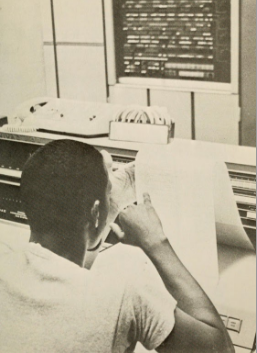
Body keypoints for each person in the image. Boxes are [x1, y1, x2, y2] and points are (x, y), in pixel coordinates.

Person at [0, 139, 234, 353]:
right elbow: (220, 349)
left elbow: (61, 271)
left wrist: (102, 213)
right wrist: (155, 242)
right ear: (94, 212)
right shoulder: (126, 293)